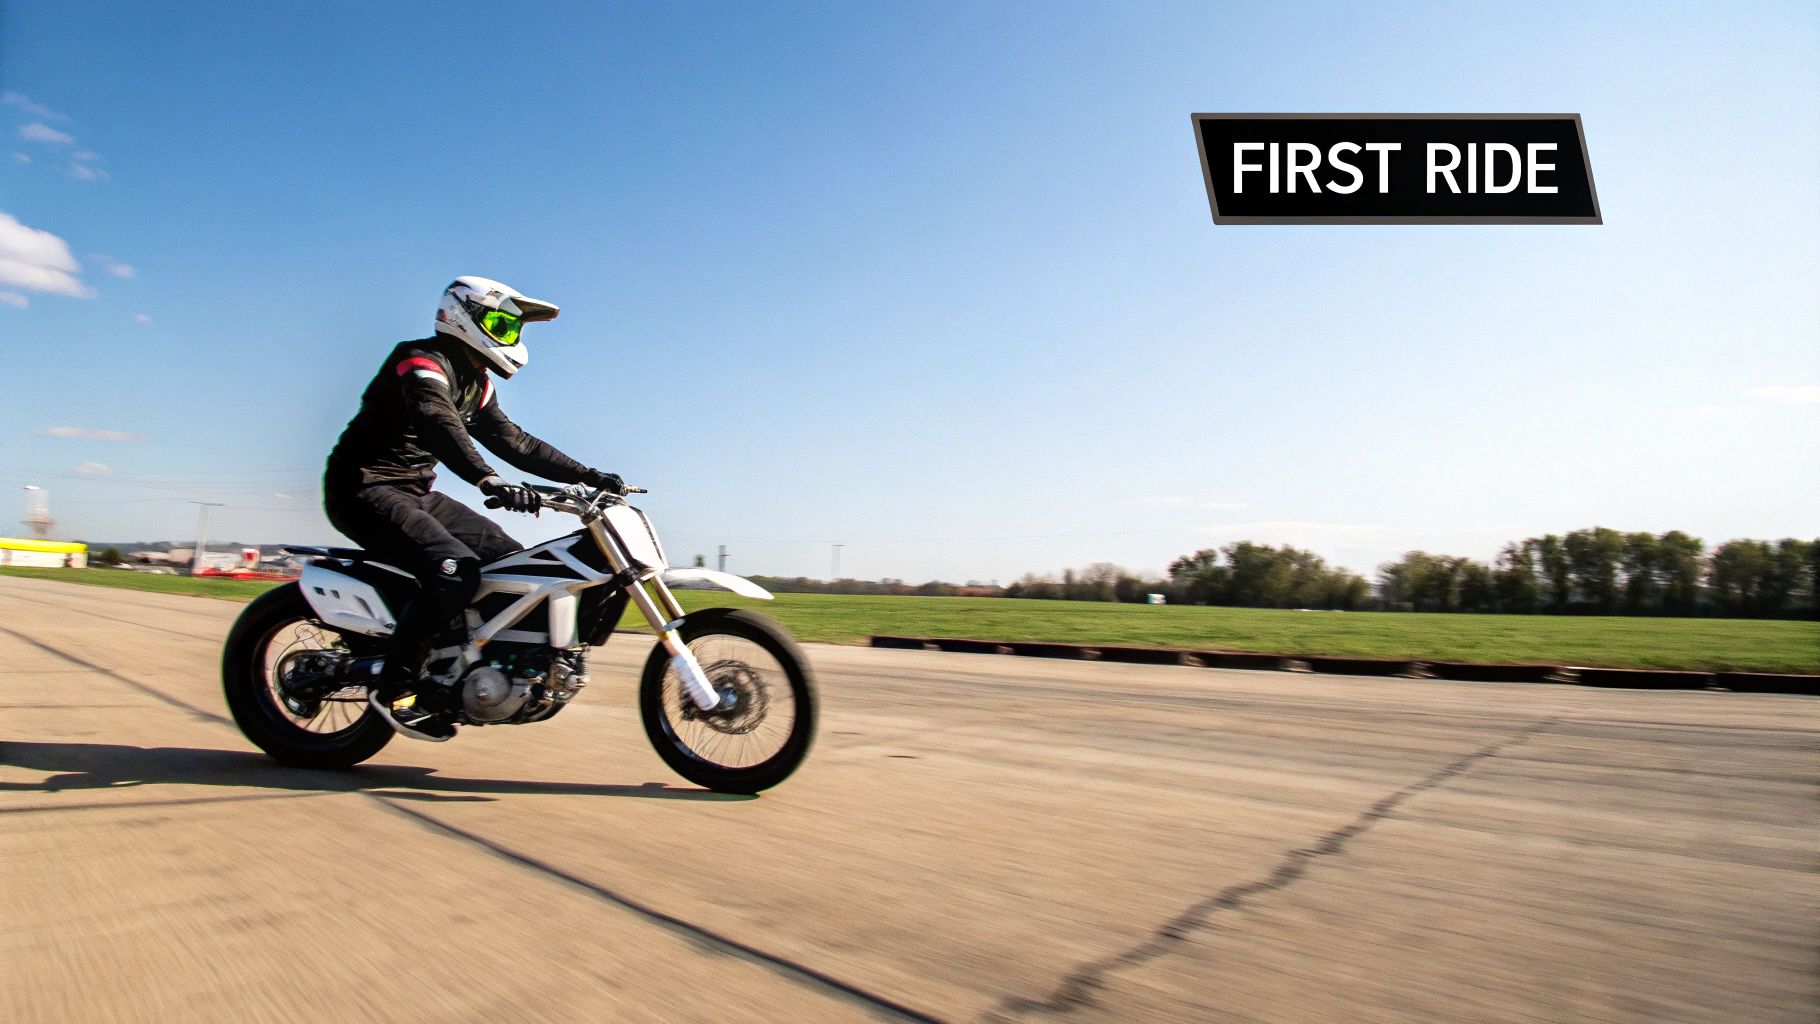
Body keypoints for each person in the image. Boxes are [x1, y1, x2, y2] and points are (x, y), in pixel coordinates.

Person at [323, 276, 622, 741]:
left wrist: (588, 476)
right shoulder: (420, 360)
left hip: (417, 492)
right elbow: (434, 418)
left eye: (514, 328)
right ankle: (396, 686)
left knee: (512, 564)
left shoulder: (477, 384)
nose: (510, 337)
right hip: (363, 489)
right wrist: (488, 479)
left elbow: (516, 442)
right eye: (501, 323)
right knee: (453, 570)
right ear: (462, 314)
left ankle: (463, 667)